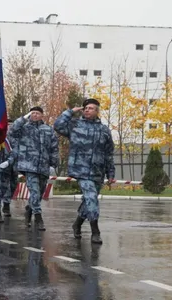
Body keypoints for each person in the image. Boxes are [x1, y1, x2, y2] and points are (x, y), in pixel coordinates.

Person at [54, 98, 115, 244]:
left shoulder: (104, 130)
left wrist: (110, 173)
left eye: (91, 108)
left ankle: (77, 224)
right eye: (86, 108)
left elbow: (109, 153)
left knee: (88, 201)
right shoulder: (75, 125)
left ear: (97, 111)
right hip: (81, 169)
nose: (87, 110)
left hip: (97, 171)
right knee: (91, 197)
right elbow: (58, 126)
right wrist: (70, 112)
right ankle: (95, 231)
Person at [9, 107, 59, 230]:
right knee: (35, 192)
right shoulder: (24, 128)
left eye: (38, 113)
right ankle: (38, 217)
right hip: (28, 165)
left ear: (42, 115)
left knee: (39, 193)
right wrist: (23, 118)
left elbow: (54, 148)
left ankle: (29, 210)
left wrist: (53, 163)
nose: (35, 115)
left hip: (43, 166)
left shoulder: (48, 130)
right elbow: (12, 131)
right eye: (33, 113)